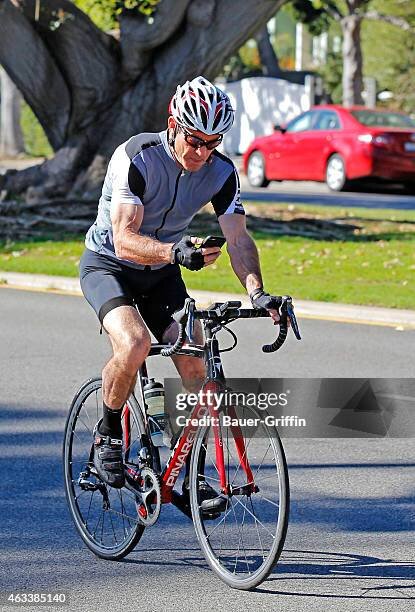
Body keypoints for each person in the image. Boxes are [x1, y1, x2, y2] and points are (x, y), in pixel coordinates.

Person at [79, 76, 281, 510]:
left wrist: (258, 293)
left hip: (163, 274)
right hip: (109, 265)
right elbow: (123, 237)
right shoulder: (136, 157)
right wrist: (176, 250)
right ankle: (108, 432)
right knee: (133, 344)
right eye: (194, 140)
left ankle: (188, 472)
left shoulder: (221, 171)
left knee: (197, 360)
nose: (201, 152)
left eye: (212, 142)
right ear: (173, 124)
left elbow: (239, 240)